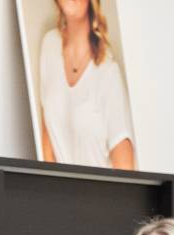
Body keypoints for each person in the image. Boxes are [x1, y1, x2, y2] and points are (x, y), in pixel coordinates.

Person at [37, 0, 136, 169]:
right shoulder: (49, 44)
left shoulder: (108, 72)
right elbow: (47, 132)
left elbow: (125, 168)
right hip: (57, 193)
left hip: (99, 194)